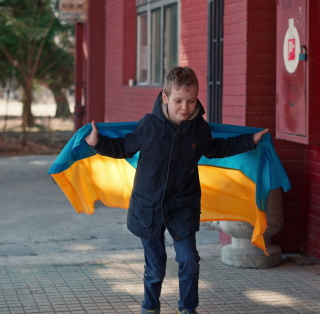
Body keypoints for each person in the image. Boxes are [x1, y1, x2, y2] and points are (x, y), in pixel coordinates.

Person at [85, 66, 269, 314]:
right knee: (156, 265)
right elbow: (123, 148)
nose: (185, 107)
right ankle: (150, 307)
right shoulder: (149, 125)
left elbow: (216, 149)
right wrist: (98, 143)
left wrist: (250, 141)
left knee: (189, 260)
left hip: (183, 205)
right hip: (148, 206)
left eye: (191, 101)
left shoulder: (199, 128)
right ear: (165, 97)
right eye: (178, 101)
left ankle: (187, 309)